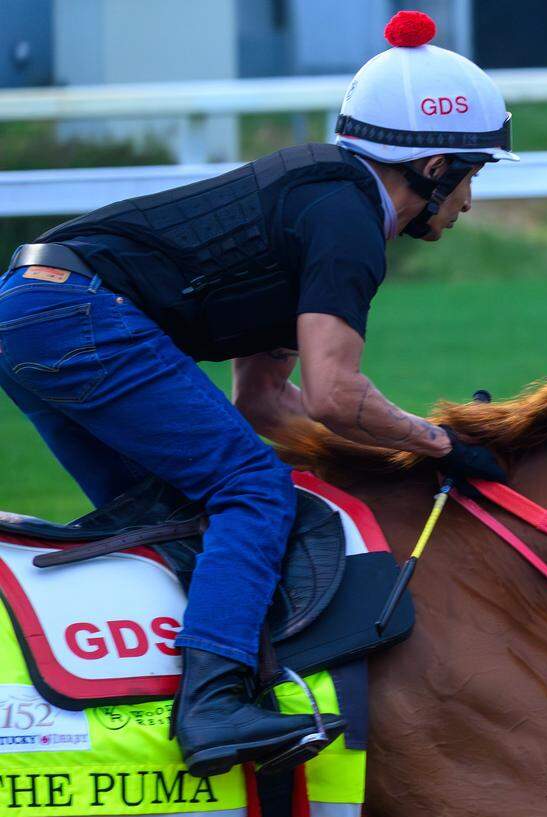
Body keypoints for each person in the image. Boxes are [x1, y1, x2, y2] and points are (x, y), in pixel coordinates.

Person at [0, 11, 512, 778]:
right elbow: (336, 395)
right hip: (77, 312)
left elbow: (266, 403)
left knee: (168, 511)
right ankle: (213, 707)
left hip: (31, 310)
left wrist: (378, 452)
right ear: (435, 166)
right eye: (472, 175)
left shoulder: (318, 196)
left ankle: (138, 708)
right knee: (253, 489)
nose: (469, 201)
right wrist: (439, 442)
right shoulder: (348, 223)